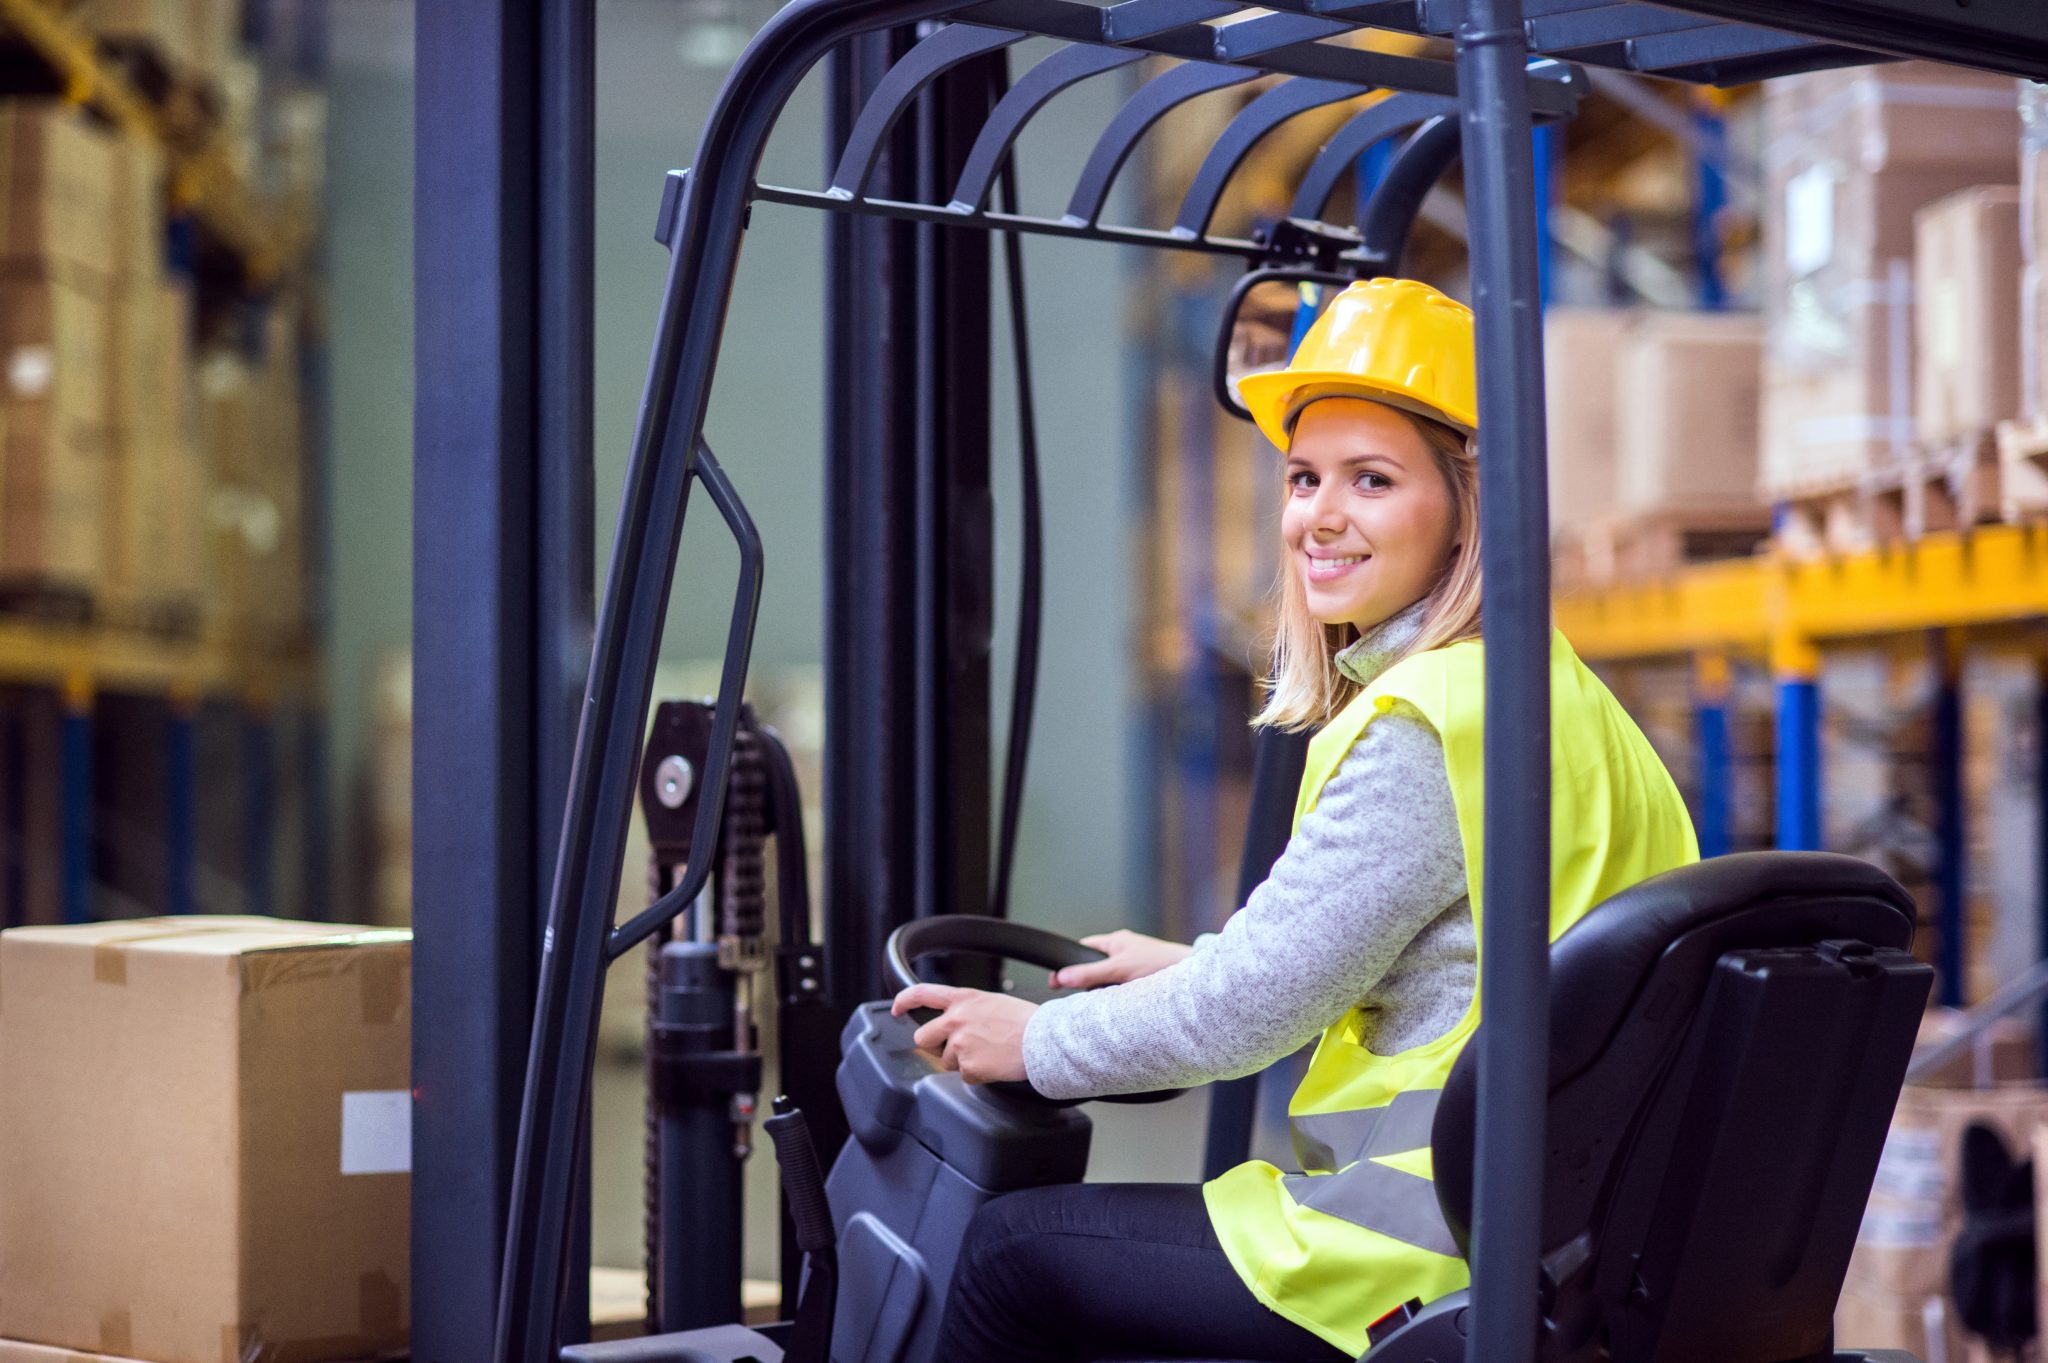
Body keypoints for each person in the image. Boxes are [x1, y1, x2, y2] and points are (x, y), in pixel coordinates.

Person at [890, 277, 1699, 1363]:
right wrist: (1198, 962)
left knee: (1004, 1253)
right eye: (1303, 477)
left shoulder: (1427, 722)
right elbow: (1435, 961)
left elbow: (1247, 1019)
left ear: (1470, 501)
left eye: (1371, 480)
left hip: (1422, 1253)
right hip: (1550, 1238)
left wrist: (1034, 1039)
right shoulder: (1550, 694)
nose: (1319, 514)